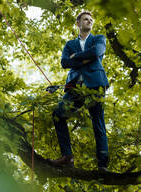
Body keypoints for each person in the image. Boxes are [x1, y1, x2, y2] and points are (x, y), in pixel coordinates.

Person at [49, 11, 110, 172]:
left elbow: (97, 52)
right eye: (85, 19)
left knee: (98, 122)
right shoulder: (70, 44)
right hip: (75, 87)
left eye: (91, 20)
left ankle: (102, 164)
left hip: (96, 85)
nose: (89, 21)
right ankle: (67, 157)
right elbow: (64, 62)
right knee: (57, 114)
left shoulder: (99, 39)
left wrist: (77, 57)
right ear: (78, 23)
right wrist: (87, 59)